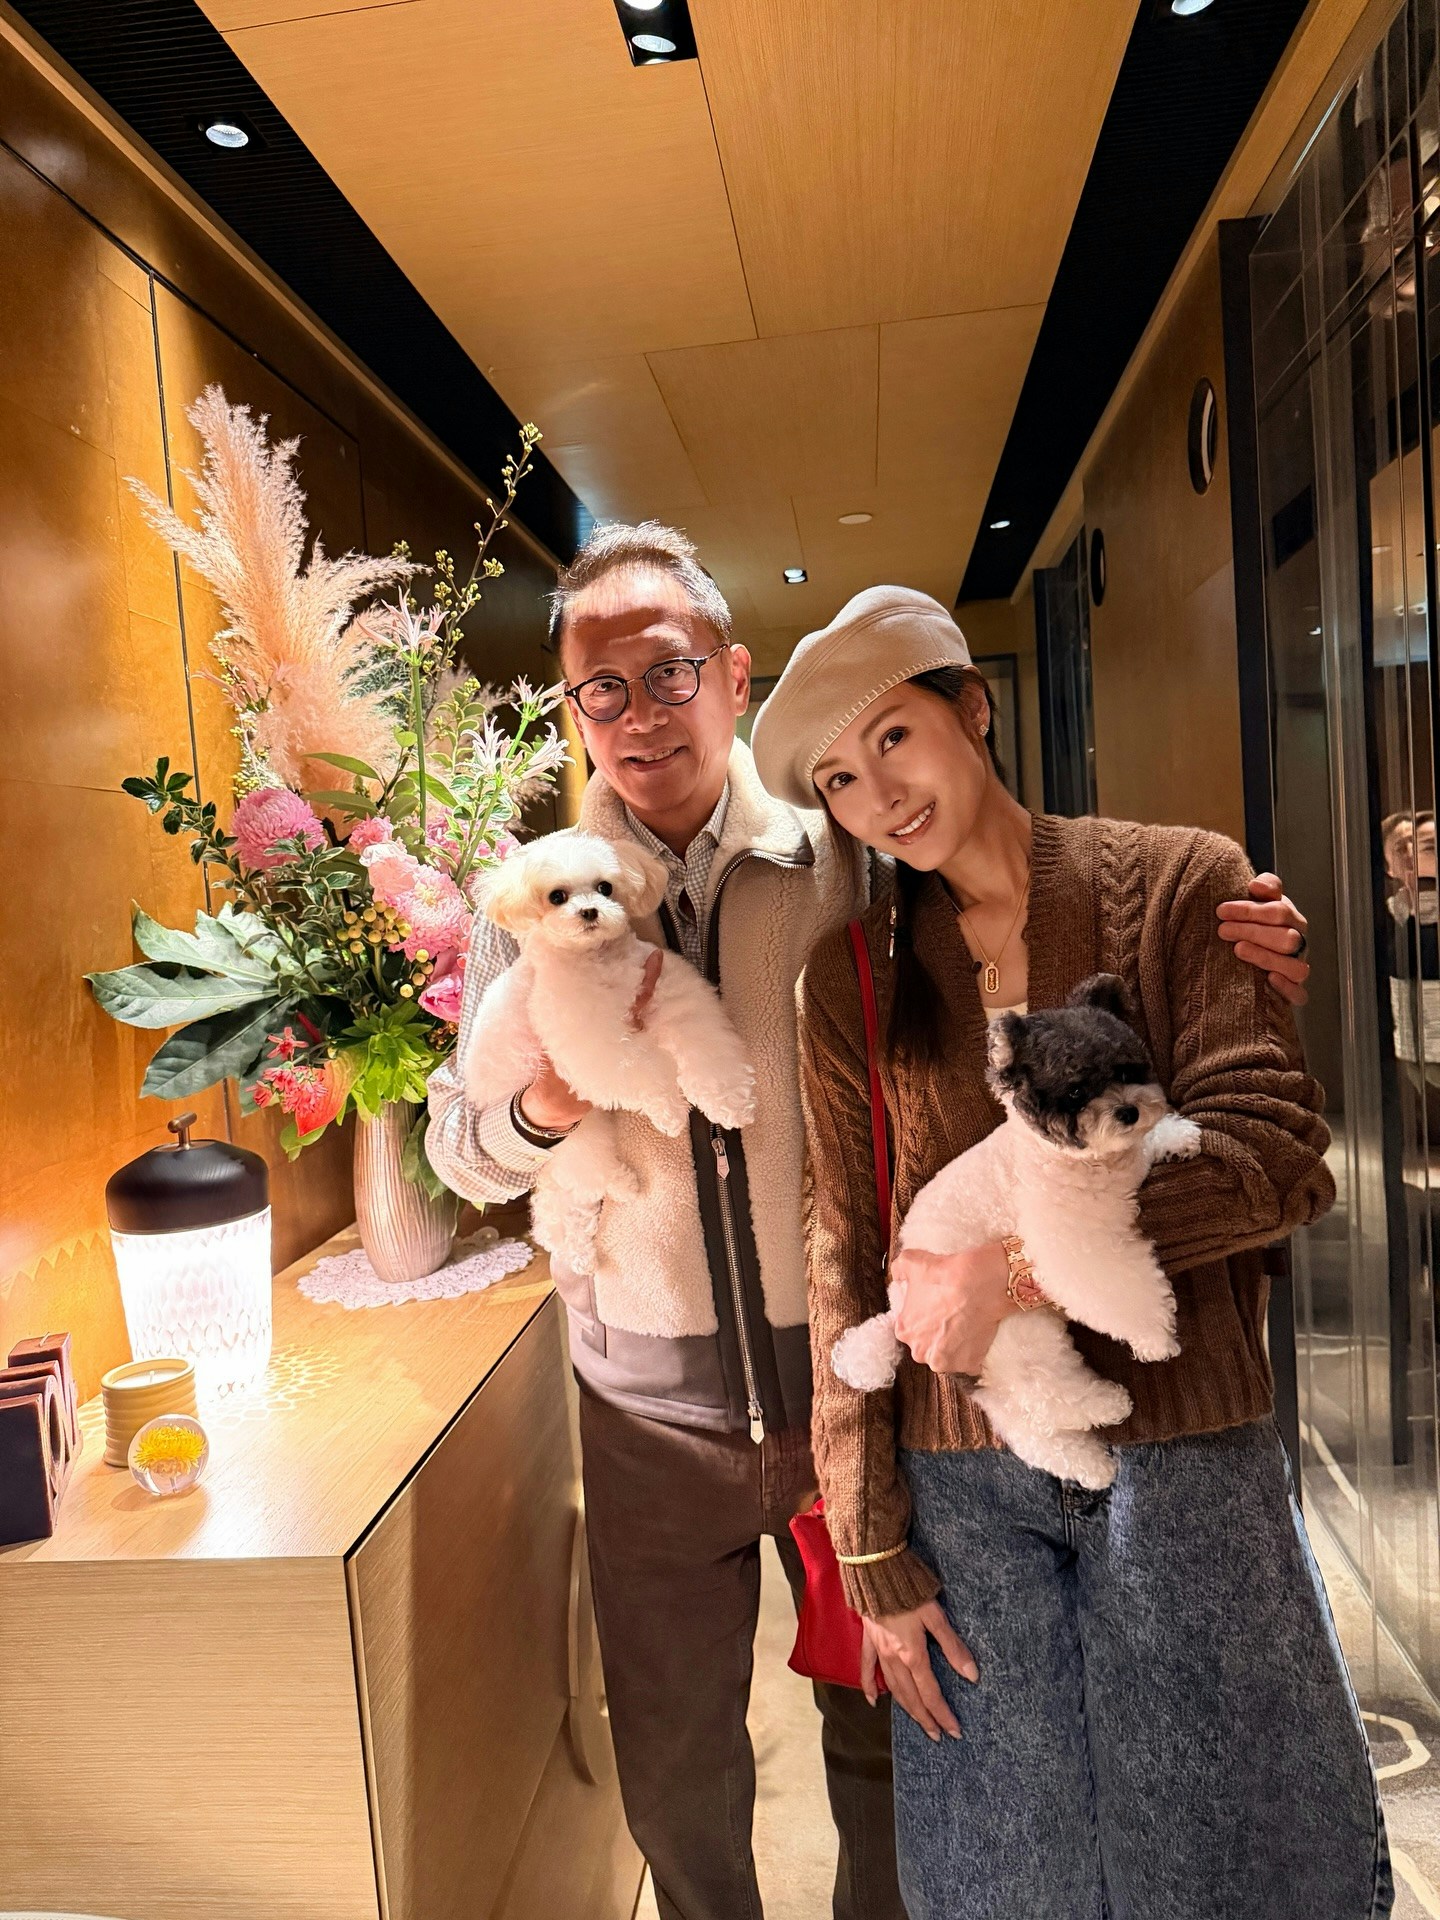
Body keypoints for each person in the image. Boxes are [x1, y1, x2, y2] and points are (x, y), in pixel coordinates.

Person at [426, 527, 1313, 1920]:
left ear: (731, 676)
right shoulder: (533, 890)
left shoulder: (837, 852)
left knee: (899, 1734)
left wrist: (1231, 938)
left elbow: (1011, 930)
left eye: (669, 674)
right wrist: (537, 1108)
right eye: (603, 689)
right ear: (571, 711)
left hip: (852, 1384)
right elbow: (458, 1151)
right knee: (675, 1763)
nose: (640, 714)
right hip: (646, 1405)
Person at [750, 585, 1391, 1920]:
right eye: (841, 780)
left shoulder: (1181, 883)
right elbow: (843, 1253)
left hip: (1183, 1449)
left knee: (1225, 1856)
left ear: (972, 709)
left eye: (895, 738)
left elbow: (1275, 1156)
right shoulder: (852, 982)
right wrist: (868, 1545)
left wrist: (1019, 1273)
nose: (881, 795)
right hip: (961, 1483)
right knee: (1008, 1876)